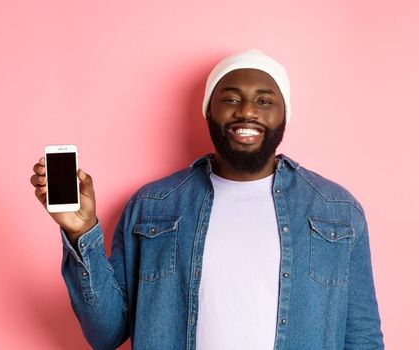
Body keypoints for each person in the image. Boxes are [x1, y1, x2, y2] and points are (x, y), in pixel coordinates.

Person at [30, 49, 384, 349]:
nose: (247, 111)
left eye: (264, 100)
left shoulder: (336, 211)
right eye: (230, 98)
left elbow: (363, 337)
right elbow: (105, 334)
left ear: (283, 114)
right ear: (208, 111)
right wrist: (82, 233)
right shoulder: (153, 205)